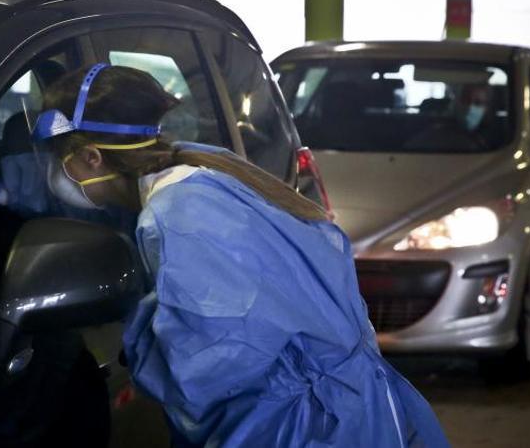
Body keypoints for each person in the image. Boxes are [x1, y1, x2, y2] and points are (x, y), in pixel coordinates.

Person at [31, 63, 449, 447]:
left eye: (58, 160)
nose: (53, 174)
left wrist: (141, 338)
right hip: (344, 407)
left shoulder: (180, 216)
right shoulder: (198, 173)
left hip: (303, 428)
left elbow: (208, 368)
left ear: (92, 157)